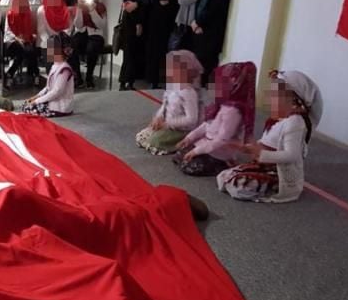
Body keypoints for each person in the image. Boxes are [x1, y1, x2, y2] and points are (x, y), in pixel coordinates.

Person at [217, 69, 323, 204]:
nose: (270, 99)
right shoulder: (281, 120)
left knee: (238, 185)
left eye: (275, 96)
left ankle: (278, 189)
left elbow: (292, 155)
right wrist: (247, 148)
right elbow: (268, 143)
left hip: (279, 173)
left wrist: (261, 154)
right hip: (266, 165)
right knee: (225, 176)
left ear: (294, 101)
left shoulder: (295, 123)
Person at [174, 60, 255, 176]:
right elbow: (206, 125)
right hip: (208, 144)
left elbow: (222, 139)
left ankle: (222, 164)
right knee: (180, 155)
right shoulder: (222, 105)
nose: (213, 88)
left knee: (188, 166)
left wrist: (197, 151)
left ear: (234, 86)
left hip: (219, 150)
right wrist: (189, 138)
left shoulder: (233, 112)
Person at [135, 49, 201, 155]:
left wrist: (167, 124)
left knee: (154, 142)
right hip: (167, 124)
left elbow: (191, 119)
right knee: (143, 136)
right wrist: (158, 117)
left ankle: (184, 141)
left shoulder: (188, 92)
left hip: (181, 129)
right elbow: (165, 105)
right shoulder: (172, 86)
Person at [144, 0, 189, 89]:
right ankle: (154, 79)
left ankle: (172, 81)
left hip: (176, 14)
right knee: (156, 46)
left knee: (175, 47)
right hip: (157, 14)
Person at [190, 0, 233, 85]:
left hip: (210, 29)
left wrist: (199, 22)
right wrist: (195, 20)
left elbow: (217, 5)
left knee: (206, 66)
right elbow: (202, 2)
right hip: (200, 26)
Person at [18, 34, 74, 118]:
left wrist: (37, 101)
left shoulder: (65, 69)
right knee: (26, 104)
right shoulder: (55, 65)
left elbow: (57, 91)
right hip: (53, 101)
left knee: (29, 108)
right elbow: (48, 87)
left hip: (60, 107)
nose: (48, 51)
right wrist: (35, 97)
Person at [119, 0, 152, 91]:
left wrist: (137, 5)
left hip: (148, 20)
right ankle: (126, 81)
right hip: (131, 20)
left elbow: (150, 2)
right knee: (129, 51)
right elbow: (126, 1)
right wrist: (137, 20)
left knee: (142, 51)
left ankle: (137, 80)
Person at [69, 0, 105, 90]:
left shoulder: (100, 6)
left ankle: (89, 77)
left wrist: (92, 10)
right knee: (71, 45)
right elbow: (78, 25)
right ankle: (78, 77)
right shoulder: (79, 6)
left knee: (91, 48)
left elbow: (101, 25)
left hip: (96, 34)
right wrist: (79, 8)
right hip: (82, 33)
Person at [4, 0, 39, 89]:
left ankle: (10, 74)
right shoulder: (10, 14)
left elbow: (31, 28)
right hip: (12, 41)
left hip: (25, 39)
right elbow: (7, 31)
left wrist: (31, 35)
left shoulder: (28, 13)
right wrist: (17, 39)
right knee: (25, 51)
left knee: (28, 51)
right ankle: (34, 73)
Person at [36, 0, 70, 72]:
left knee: (69, 49)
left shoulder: (64, 9)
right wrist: (52, 41)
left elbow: (67, 28)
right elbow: (41, 31)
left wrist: (61, 39)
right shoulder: (41, 10)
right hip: (46, 42)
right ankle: (53, 76)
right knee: (52, 48)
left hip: (62, 41)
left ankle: (72, 77)